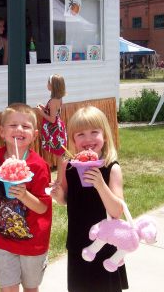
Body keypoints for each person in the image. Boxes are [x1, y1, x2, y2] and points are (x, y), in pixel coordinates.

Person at [51, 106, 129, 292]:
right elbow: (66, 200)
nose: (88, 139)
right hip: (78, 241)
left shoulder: (112, 168)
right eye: (80, 134)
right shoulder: (68, 166)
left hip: (106, 242)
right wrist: (58, 194)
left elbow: (117, 211)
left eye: (94, 132)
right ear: (73, 139)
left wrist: (100, 185)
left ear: (105, 136)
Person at [0, 103, 52, 292]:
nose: (19, 129)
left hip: (33, 242)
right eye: (13, 125)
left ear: (34, 135)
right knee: (7, 288)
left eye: (25, 126)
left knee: (31, 288)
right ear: (1, 131)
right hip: (4, 239)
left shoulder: (39, 166)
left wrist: (24, 195)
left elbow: (43, 207)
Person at [35, 74, 67, 182]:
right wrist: (44, 108)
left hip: (53, 131)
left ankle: (58, 180)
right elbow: (54, 112)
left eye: (48, 82)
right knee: (60, 155)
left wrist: (41, 113)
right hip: (56, 129)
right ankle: (59, 179)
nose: (47, 84)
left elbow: (52, 119)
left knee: (59, 156)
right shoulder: (57, 98)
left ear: (53, 86)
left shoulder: (53, 101)